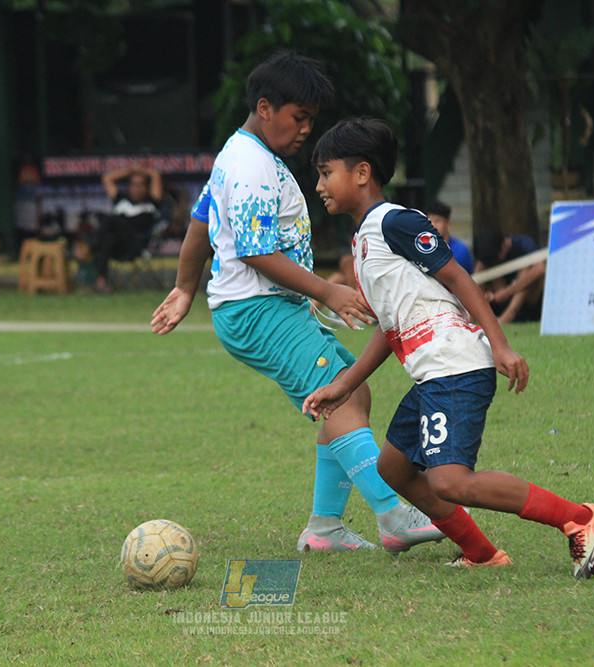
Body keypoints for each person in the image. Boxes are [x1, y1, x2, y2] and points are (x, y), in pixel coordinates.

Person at [151, 51, 444, 553]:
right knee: (342, 396)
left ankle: (324, 528)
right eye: (299, 116)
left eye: (311, 118)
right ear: (265, 108)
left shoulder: (237, 154)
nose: (307, 128)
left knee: (349, 393)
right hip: (258, 310)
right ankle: (394, 514)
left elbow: (200, 222)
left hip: (262, 308)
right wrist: (328, 290)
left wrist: (184, 287)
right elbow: (254, 251)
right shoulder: (251, 166)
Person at [302, 118, 594, 579]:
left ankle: (579, 518)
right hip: (433, 373)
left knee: (449, 480)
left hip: (455, 365)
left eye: (327, 173)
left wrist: (501, 345)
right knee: (394, 468)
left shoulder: (395, 222)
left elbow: (459, 277)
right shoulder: (364, 242)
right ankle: (481, 553)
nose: (320, 185)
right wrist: (344, 386)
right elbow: (390, 326)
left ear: (362, 173)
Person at [90, 164, 165, 294]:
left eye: (141, 185)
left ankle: (91, 243)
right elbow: (107, 178)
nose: (137, 189)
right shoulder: (121, 200)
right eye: (134, 184)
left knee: (113, 220)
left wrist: (140, 169)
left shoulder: (152, 203)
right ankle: (102, 282)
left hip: (135, 244)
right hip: (117, 247)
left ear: (147, 187)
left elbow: (155, 175)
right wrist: (130, 170)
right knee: (106, 239)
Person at [473, 228, 545, 324]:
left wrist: (507, 292)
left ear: (504, 246)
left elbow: (540, 268)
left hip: (527, 300)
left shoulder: (524, 244)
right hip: (499, 297)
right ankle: (477, 315)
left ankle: (507, 317)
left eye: (495, 259)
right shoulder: (489, 258)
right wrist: (486, 296)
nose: (494, 262)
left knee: (527, 270)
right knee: (481, 266)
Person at [423, 200, 473, 275]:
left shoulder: (460, 251)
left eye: (437, 221)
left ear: (448, 224)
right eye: (429, 221)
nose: (433, 225)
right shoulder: (421, 248)